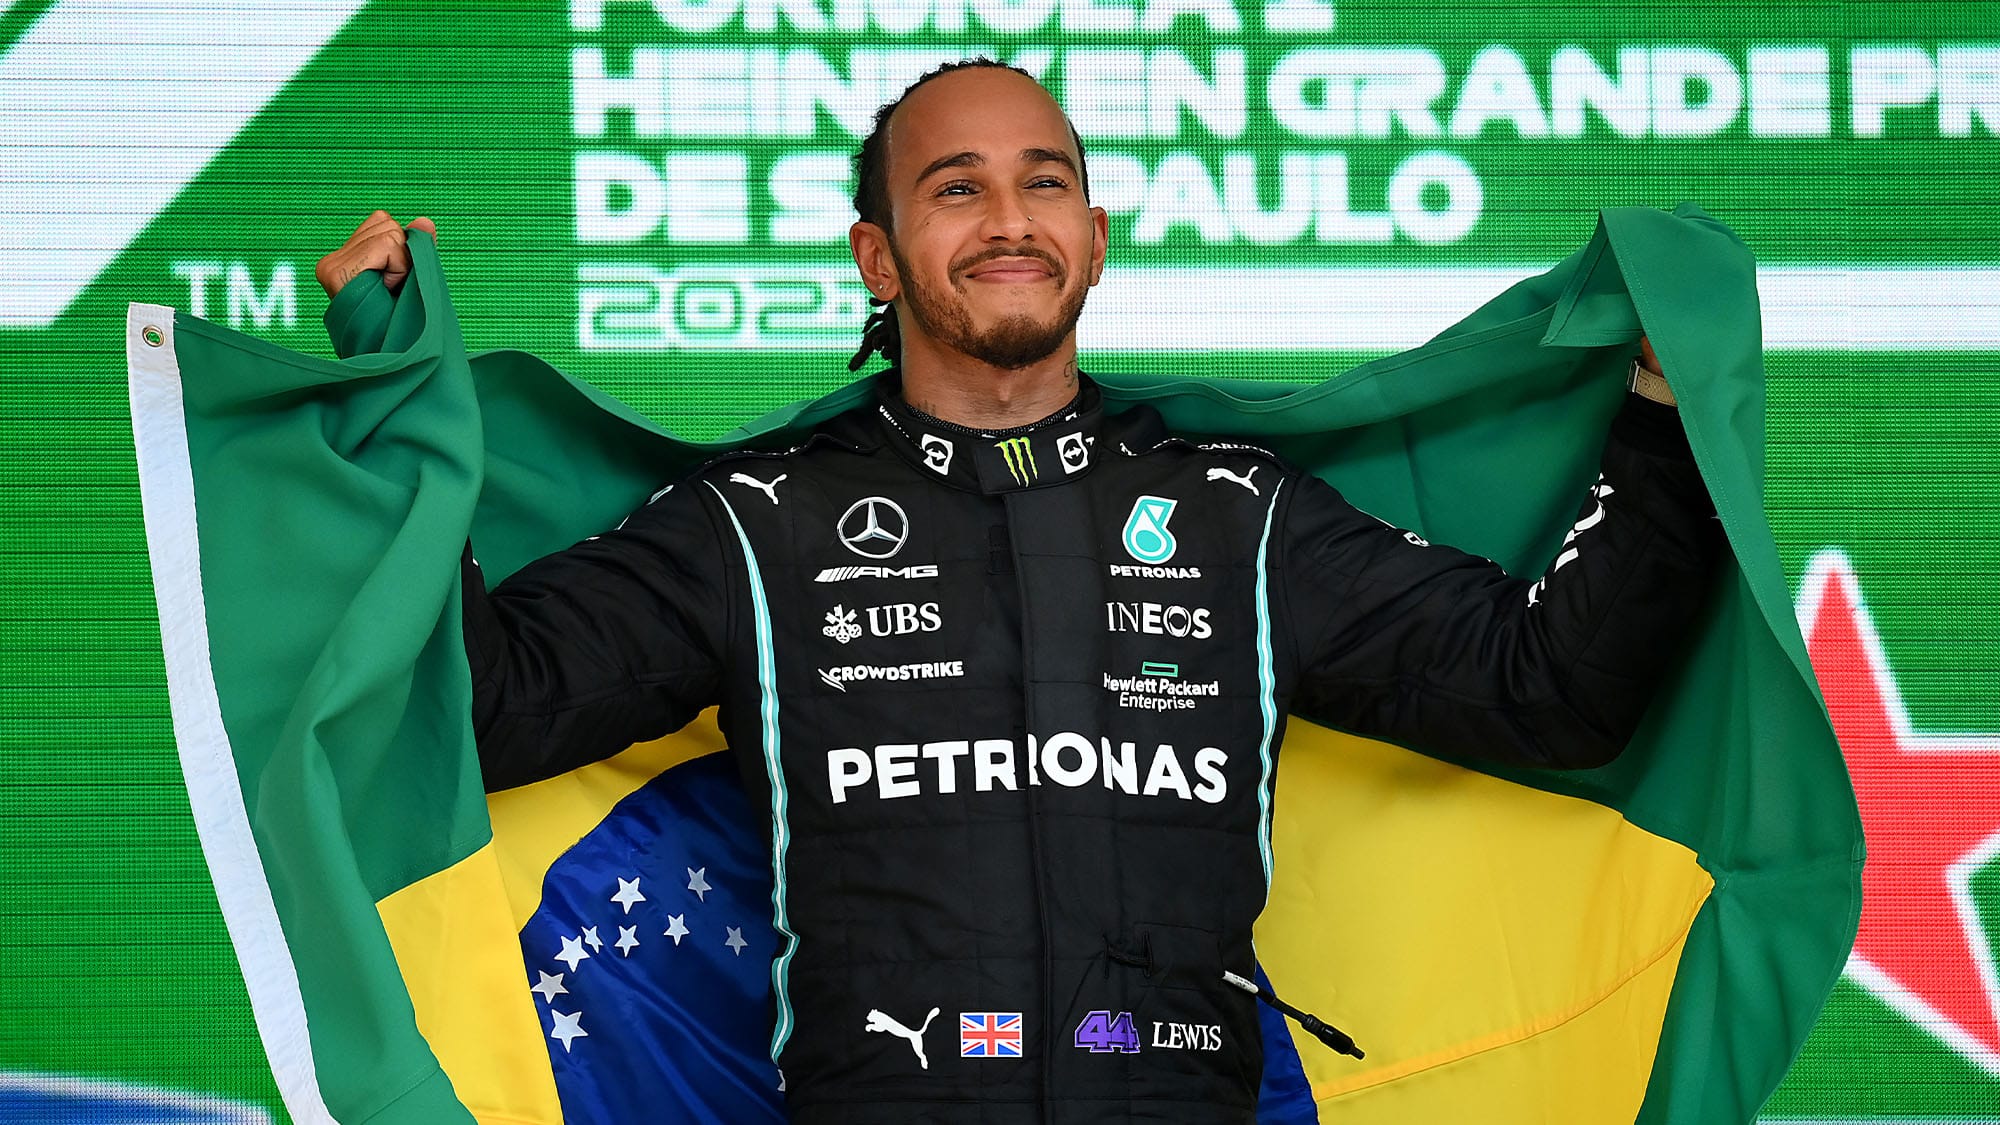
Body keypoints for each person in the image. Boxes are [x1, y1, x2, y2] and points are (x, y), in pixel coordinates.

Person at [315, 59, 1717, 1125]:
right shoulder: (758, 523)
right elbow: (486, 707)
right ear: (879, 256)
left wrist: (1664, 408)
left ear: (1094, 238)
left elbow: (1553, 687)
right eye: (955, 186)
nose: (1008, 219)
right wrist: (393, 404)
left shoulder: (1237, 514)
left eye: (1046, 182)